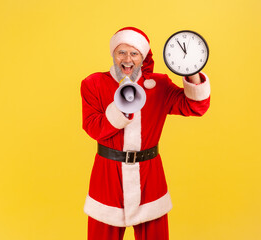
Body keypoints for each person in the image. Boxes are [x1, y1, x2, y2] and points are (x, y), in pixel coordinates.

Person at [80, 27, 211, 240]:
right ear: (113, 54)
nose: (127, 59)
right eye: (121, 52)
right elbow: (93, 126)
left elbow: (195, 106)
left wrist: (192, 69)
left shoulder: (159, 85)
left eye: (134, 53)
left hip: (150, 174)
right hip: (107, 175)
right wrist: (121, 108)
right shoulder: (93, 83)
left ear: (142, 57)